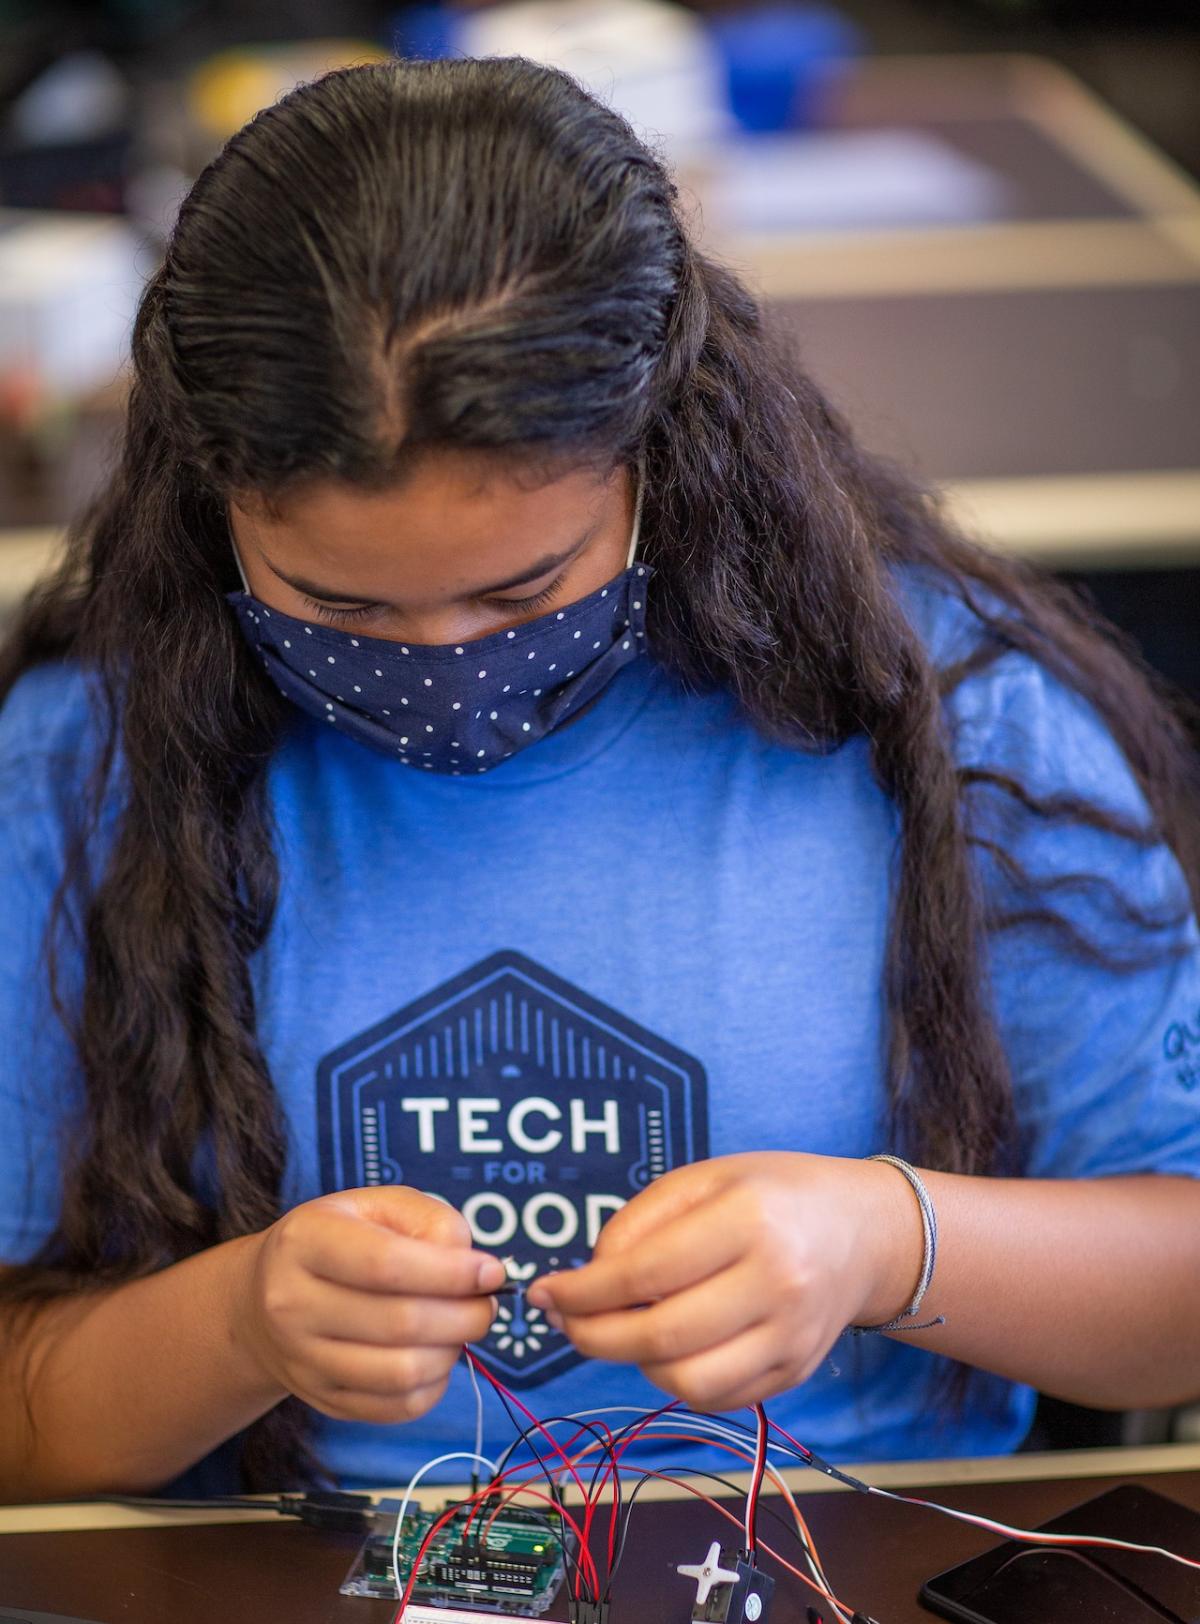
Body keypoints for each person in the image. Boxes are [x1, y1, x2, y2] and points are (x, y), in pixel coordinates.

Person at [1, 55, 1198, 1505]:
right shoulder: (87, 769)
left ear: (662, 453)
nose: (440, 659)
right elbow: (28, 1422)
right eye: (342, 606)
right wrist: (239, 1322)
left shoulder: (937, 721)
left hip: (847, 1548)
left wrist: (885, 1243)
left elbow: (1174, 1298)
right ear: (208, 501)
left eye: (524, 593)